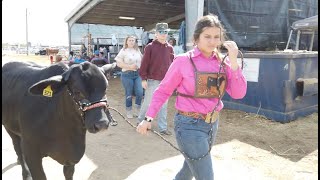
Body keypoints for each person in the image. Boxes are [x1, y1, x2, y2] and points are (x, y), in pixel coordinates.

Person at [136, 14, 247, 179]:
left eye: (216, 37)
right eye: (207, 36)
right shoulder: (182, 61)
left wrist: (234, 62)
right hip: (189, 126)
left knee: (188, 171)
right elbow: (163, 91)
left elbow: (238, 94)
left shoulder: (224, 63)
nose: (212, 41)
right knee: (205, 175)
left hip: (212, 124)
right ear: (197, 38)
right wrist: (148, 118)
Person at [137, 22, 174, 135]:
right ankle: (141, 121)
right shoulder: (150, 47)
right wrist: (143, 79)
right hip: (153, 80)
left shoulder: (170, 48)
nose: (163, 34)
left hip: (166, 82)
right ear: (156, 34)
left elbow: (173, 64)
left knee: (164, 104)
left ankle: (162, 128)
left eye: (165, 32)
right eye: (161, 32)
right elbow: (144, 64)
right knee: (148, 102)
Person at [115, 35, 144, 119]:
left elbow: (142, 61)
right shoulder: (123, 51)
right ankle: (129, 111)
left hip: (137, 74)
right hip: (127, 75)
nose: (131, 42)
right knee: (129, 93)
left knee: (140, 92)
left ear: (135, 42)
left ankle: (137, 110)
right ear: (126, 42)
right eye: (130, 40)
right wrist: (129, 67)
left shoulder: (137, 50)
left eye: (133, 40)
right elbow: (118, 63)